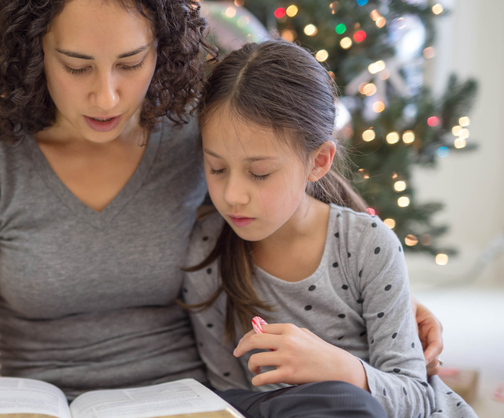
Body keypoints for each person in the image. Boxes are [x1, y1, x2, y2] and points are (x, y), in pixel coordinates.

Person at [0, 0, 444, 404]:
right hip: (38, 403)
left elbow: (296, 192)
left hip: (196, 399)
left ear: (162, 47)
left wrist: (387, 302)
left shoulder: (199, 129)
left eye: (130, 62)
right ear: (33, 51)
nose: (107, 96)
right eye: (77, 66)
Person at [182, 40, 476, 418]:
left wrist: (341, 369)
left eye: (259, 173)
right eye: (217, 169)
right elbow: (230, 399)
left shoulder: (368, 246)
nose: (233, 195)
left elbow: (416, 399)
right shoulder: (206, 253)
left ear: (318, 161)